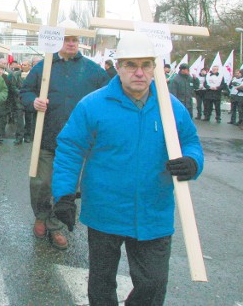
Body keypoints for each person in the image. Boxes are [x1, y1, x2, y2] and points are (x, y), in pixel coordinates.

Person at [52, 32, 203, 306]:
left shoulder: (170, 108)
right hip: (105, 211)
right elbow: (70, 148)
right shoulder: (93, 105)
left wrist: (192, 161)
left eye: (146, 65)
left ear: (154, 69)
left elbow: (190, 141)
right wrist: (63, 194)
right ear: (118, 67)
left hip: (153, 212)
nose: (139, 72)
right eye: (131, 65)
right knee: (101, 281)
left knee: (153, 284)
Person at [19, 19, 109, 249]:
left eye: (75, 40)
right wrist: (34, 102)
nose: (71, 44)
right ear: (58, 41)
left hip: (78, 143)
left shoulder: (93, 71)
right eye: (66, 39)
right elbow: (25, 92)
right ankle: (41, 215)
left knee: (67, 186)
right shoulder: (44, 67)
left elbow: (109, 96)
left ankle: (56, 224)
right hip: (47, 137)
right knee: (41, 183)